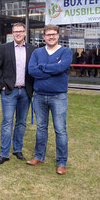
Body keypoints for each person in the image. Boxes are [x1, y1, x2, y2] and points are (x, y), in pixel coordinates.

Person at [27, 24, 72, 175]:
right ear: (44, 37)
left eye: (53, 34)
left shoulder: (66, 52)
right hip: (39, 96)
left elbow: (61, 68)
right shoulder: (37, 52)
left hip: (58, 96)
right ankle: (39, 156)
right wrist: (53, 68)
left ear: (59, 35)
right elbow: (32, 71)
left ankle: (61, 162)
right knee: (41, 128)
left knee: (60, 130)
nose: (51, 37)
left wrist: (43, 67)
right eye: (48, 34)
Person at [0, 22, 36, 165]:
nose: (18, 33)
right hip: (9, 91)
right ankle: (4, 153)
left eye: (21, 31)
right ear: (12, 33)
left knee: (21, 122)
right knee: (7, 122)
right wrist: (2, 86)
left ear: (25, 33)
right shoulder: (4, 48)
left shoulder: (32, 49)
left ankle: (18, 149)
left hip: (25, 91)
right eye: (15, 31)